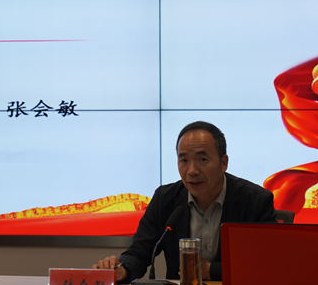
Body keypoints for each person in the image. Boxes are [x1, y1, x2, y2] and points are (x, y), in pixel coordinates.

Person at [93, 121, 277, 282]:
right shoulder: (165, 199)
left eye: (202, 159)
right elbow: (140, 252)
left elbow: (268, 262)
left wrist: (211, 271)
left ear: (223, 163)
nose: (192, 171)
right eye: (184, 160)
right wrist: (122, 270)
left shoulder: (256, 201)